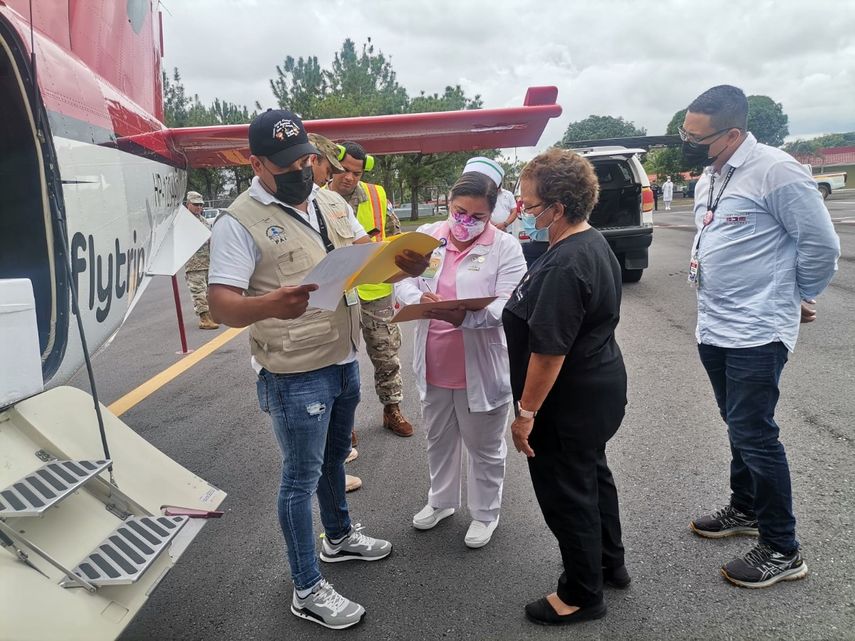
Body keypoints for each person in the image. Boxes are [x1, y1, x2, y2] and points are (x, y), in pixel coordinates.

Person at [207, 109, 428, 629]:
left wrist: (403, 265)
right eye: (285, 164)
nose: (301, 169)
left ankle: (340, 537)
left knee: (334, 458)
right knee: (299, 478)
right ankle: (306, 587)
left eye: (306, 158)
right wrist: (267, 306)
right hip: (294, 370)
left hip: (344, 354)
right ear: (256, 162)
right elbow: (221, 305)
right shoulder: (238, 223)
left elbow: (360, 257)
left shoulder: (329, 200)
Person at [681, 85, 840, 588]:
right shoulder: (712, 174)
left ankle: (782, 547)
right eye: (684, 132)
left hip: (756, 329)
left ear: (733, 134)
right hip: (715, 322)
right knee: (736, 422)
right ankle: (745, 507)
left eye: (697, 138)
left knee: (755, 431)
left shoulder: (776, 170)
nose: (688, 144)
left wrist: (798, 295)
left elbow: (820, 243)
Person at [503, 148, 629, 626]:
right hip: (596, 387)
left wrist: (527, 413)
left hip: (566, 401)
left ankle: (581, 593)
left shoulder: (563, 265)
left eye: (531, 206)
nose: (524, 213)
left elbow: (548, 351)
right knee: (591, 476)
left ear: (557, 208)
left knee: (567, 493)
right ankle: (607, 563)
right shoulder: (588, 242)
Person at [396, 171, 526, 548]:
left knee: (484, 446)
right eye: (459, 211)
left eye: (477, 217)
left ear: (491, 215)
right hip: (435, 360)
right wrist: (416, 297)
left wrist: (467, 317)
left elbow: (509, 303)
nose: (465, 222)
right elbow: (400, 278)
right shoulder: (430, 237)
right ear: (448, 203)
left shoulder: (505, 247)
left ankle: (486, 513)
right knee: (439, 437)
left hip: (480, 365)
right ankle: (441, 501)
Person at [330, 140, 413, 437]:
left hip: (375, 289)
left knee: (386, 352)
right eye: (344, 170)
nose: (349, 177)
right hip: (338, 293)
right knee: (339, 359)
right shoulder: (317, 199)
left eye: (357, 173)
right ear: (333, 165)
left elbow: (394, 236)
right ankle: (344, 423)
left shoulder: (377, 196)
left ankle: (392, 409)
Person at [307, 131, 362, 493]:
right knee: (313, 409)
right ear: (313, 160)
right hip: (309, 328)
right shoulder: (261, 211)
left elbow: (360, 244)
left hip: (344, 326)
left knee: (340, 403)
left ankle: (334, 467)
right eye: (329, 167)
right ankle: (323, 475)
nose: (332, 175)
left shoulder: (331, 202)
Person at [183, 191, 219, 330]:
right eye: (195, 205)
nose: (199, 207)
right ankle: (204, 319)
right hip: (194, 263)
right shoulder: (183, 222)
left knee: (210, 291)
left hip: (207, 262)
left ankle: (210, 315)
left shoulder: (203, 221)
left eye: (201, 205)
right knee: (198, 291)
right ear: (188, 205)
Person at [462, 157, 518, 233]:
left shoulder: (508, 194)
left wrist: (504, 224)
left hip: (506, 231)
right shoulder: (441, 231)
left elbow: (514, 211)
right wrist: (492, 226)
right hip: (486, 231)